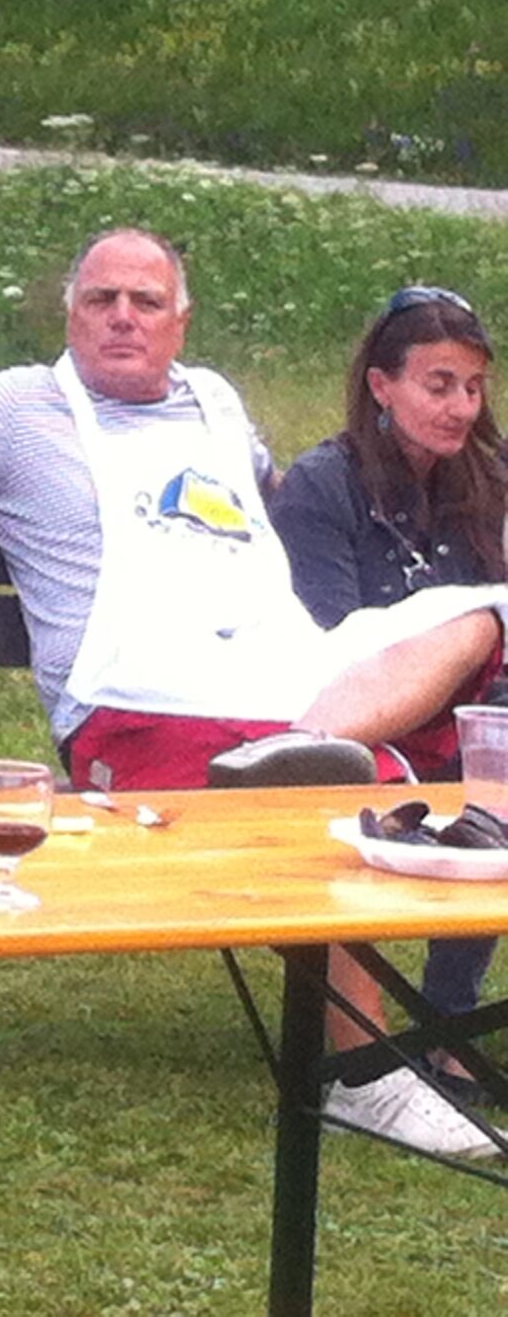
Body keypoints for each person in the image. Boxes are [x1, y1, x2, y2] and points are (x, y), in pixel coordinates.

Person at [0, 226, 508, 1157]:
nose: (124, 317)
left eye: (146, 302)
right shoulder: (16, 409)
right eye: (102, 300)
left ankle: (305, 746)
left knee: (481, 621)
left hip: (286, 679)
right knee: (324, 792)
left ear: (181, 322)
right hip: (141, 704)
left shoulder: (216, 402)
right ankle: (366, 1077)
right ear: (72, 315)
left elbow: (262, 520)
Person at [272, 284, 507, 1031]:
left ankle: (449, 1018)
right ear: (382, 385)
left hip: (474, 718)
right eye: (439, 385)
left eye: (473, 387)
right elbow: (328, 643)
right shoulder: (323, 486)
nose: (461, 407)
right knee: (496, 764)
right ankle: (448, 1022)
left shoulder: (488, 478)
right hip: (356, 717)